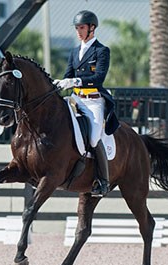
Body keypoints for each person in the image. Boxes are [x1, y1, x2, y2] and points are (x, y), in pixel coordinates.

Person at [55, 10, 119, 197]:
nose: (78, 31)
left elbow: (98, 78)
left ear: (92, 28)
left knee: (93, 138)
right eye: (77, 28)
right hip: (75, 100)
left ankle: (103, 181)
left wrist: (75, 81)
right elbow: (68, 75)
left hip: (92, 102)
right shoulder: (75, 52)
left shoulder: (101, 51)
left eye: (81, 27)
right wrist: (60, 83)